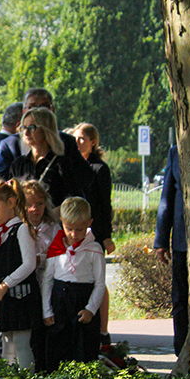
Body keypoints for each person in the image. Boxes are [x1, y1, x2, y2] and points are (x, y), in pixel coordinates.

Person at [42, 197, 106, 371]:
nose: (74, 234)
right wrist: (46, 310)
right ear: (62, 222)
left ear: (89, 223)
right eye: (69, 229)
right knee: (58, 347)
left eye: (80, 229)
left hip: (83, 299)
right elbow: (47, 279)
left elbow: (100, 284)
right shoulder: (57, 247)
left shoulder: (95, 249)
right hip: (60, 299)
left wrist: (91, 309)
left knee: (83, 349)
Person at [0, 179, 40, 370]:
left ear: (11, 202)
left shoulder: (22, 229)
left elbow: (29, 264)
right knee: (7, 345)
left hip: (21, 297)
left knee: (22, 344)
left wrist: (5, 284)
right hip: (5, 298)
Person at [0, 89, 91, 190]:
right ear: (23, 111)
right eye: (32, 106)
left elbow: (84, 179)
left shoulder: (66, 144)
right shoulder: (12, 149)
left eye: (44, 106)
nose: (38, 111)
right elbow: (3, 182)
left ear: (52, 110)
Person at [71, 122, 114, 346]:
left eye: (82, 138)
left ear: (92, 142)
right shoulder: (71, 165)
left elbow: (104, 204)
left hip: (94, 230)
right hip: (74, 231)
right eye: (75, 138)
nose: (77, 142)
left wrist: (105, 234)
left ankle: (103, 329)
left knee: (98, 279)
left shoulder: (99, 168)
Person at [9, 107, 84, 208]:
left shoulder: (62, 164)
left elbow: (74, 199)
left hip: (55, 221)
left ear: (46, 129)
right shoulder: (18, 164)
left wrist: (53, 215)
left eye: (32, 127)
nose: (26, 133)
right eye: (23, 128)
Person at [21, 179, 59, 371]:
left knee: (47, 330)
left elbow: (58, 254)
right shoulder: (19, 226)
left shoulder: (53, 227)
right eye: (29, 204)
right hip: (26, 285)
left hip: (47, 281)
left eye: (39, 204)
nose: (34, 209)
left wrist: (40, 259)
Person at [154, 144, 187, 356]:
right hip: (182, 243)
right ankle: (182, 351)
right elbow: (166, 198)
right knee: (181, 299)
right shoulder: (176, 151)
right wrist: (161, 240)